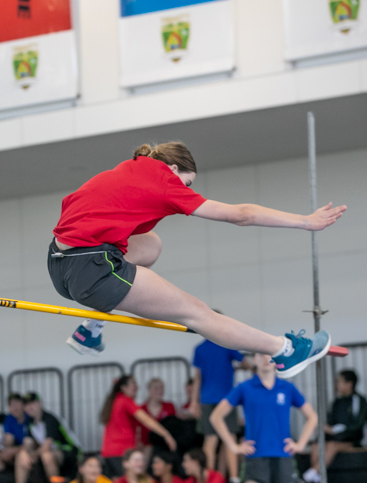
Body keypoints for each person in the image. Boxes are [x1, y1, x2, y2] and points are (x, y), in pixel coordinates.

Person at [48, 142, 343, 377]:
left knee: (151, 245)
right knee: (198, 313)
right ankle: (285, 351)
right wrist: (305, 221)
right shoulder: (164, 182)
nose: (186, 191)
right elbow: (241, 215)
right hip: (92, 269)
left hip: (59, 264)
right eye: (187, 183)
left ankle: (90, 329)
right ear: (173, 168)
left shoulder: (129, 169)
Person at [210, 353, 318, 483]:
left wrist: (300, 444)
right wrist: (233, 446)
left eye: (270, 355)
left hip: (283, 455)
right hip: (255, 456)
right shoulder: (244, 387)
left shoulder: (287, 388)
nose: (267, 358)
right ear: (254, 359)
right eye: (262, 355)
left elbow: (312, 417)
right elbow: (216, 416)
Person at [191, 335, 246, 481]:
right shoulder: (227, 344)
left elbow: (198, 377)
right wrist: (235, 368)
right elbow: (245, 363)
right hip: (226, 400)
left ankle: (208, 478)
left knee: (210, 440)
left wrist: (194, 402)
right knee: (230, 438)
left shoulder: (200, 348)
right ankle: (234, 477)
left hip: (206, 399)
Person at [100, 375, 177, 479]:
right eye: (133, 384)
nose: (136, 387)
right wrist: (166, 434)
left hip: (108, 452)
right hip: (121, 452)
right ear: (124, 388)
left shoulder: (115, 401)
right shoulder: (125, 400)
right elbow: (146, 420)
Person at [302, 369, 367, 483]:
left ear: (350, 384)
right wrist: (326, 428)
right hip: (335, 437)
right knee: (316, 445)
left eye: (340, 381)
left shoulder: (359, 400)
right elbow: (330, 421)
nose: (337, 384)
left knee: (332, 445)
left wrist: (339, 430)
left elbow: (358, 424)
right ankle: (316, 476)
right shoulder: (337, 401)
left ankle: (311, 474)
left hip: (352, 439)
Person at [15, 392, 79, 483]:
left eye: (32, 403)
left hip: (70, 450)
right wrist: (25, 453)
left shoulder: (49, 419)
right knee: (21, 455)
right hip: (51, 452)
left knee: (47, 456)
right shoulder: (29, 422)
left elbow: (47, 446)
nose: (29, 407)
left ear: (40, 403)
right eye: (26, 405)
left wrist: (33, 455)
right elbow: (27, 444)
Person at [140, 378, 177, 448]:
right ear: (149, 390)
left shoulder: (169, 406)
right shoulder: (141, 409)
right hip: (147, 445)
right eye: (156, 388)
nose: (160, 391)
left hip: (165, 445)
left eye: (161, 388)